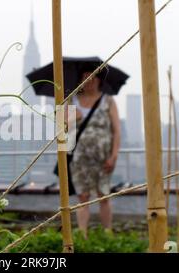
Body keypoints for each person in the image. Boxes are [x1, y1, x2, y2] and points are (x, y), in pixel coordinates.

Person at [69, 65, 121, 238]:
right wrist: (70, 117)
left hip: (103, 157)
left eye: (92, 77)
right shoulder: (70, 101)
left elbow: (116, 130)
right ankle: (82, 234)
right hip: (78, 158)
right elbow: (62, 133)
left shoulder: (108, 101)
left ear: (99, 79)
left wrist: (114, 156)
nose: (89, 81)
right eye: (85, 78)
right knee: (82, 197)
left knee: (103, 195)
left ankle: (107, 232)